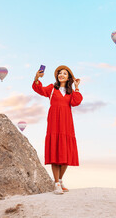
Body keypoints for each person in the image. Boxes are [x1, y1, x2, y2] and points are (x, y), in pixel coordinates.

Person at [32, 65, 83, 195]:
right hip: (54, 122)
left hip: (67, 124)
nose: (61, 75)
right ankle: (56, 183)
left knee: (65, 153)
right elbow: (39, 89)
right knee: (55, 152)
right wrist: (37, 78)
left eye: (64, 73)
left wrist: (76, 87)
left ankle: (60, 180)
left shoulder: (70, 92)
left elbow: (76, 102)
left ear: (68, 77)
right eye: (60, 73)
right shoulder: (52, 89)